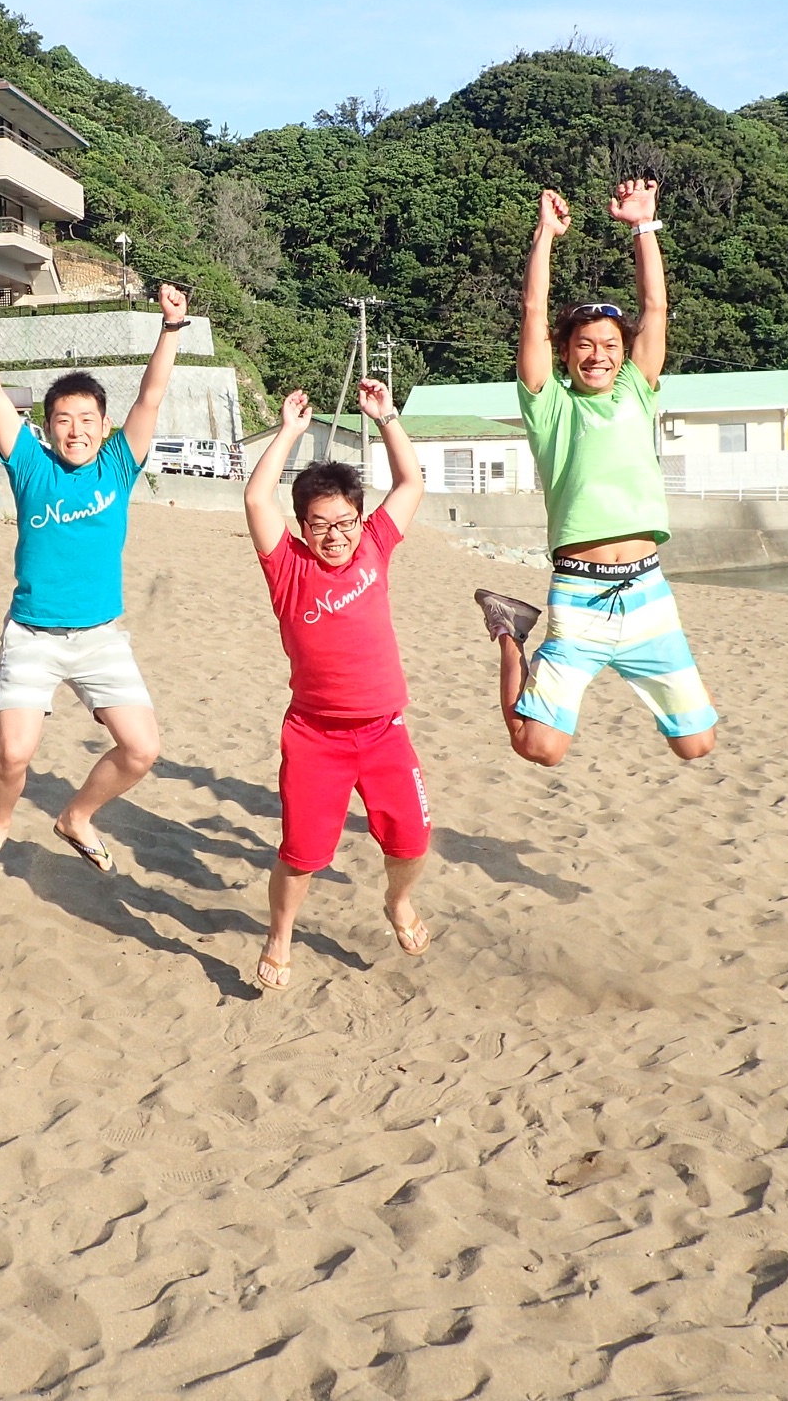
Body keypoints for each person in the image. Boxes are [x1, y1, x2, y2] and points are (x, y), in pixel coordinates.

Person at [0, 277, 188, 888]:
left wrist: (171, 328)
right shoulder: (28, 464)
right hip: (32, 634)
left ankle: (77, 817)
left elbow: (151, 399)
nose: (75, 430)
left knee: (141, 750)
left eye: (87, 419)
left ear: (105, 425)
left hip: (101, 637)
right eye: (62, 420)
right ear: (47, 427)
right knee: (14, 753)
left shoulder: (117, 464)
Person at [474, 180, 718, 766]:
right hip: (578, 597)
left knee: (696, 744)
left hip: (649, 595)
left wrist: (643, 228)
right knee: (539, 747)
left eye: (610, 344)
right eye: (585, 345)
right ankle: (509, 632)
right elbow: (534, 313)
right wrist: (545, 236)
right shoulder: (549, 404)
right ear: (566, 353)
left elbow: (655, 308)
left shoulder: (637, 389)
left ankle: (515, 633)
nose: (599, 355)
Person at [243, 383, 429, 993]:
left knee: (410, 844)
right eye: (319, 525)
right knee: (301, 855)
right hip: (315, 737)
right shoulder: (287, 567)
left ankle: (397, 904)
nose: (335, 535)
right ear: (303, 527)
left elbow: (410, 484)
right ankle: (280, 936)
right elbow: (255, 496)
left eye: (344, 522)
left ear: (359, 518)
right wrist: (289, 433)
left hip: (384, 732)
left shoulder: (375, 544)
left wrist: (387, 419)